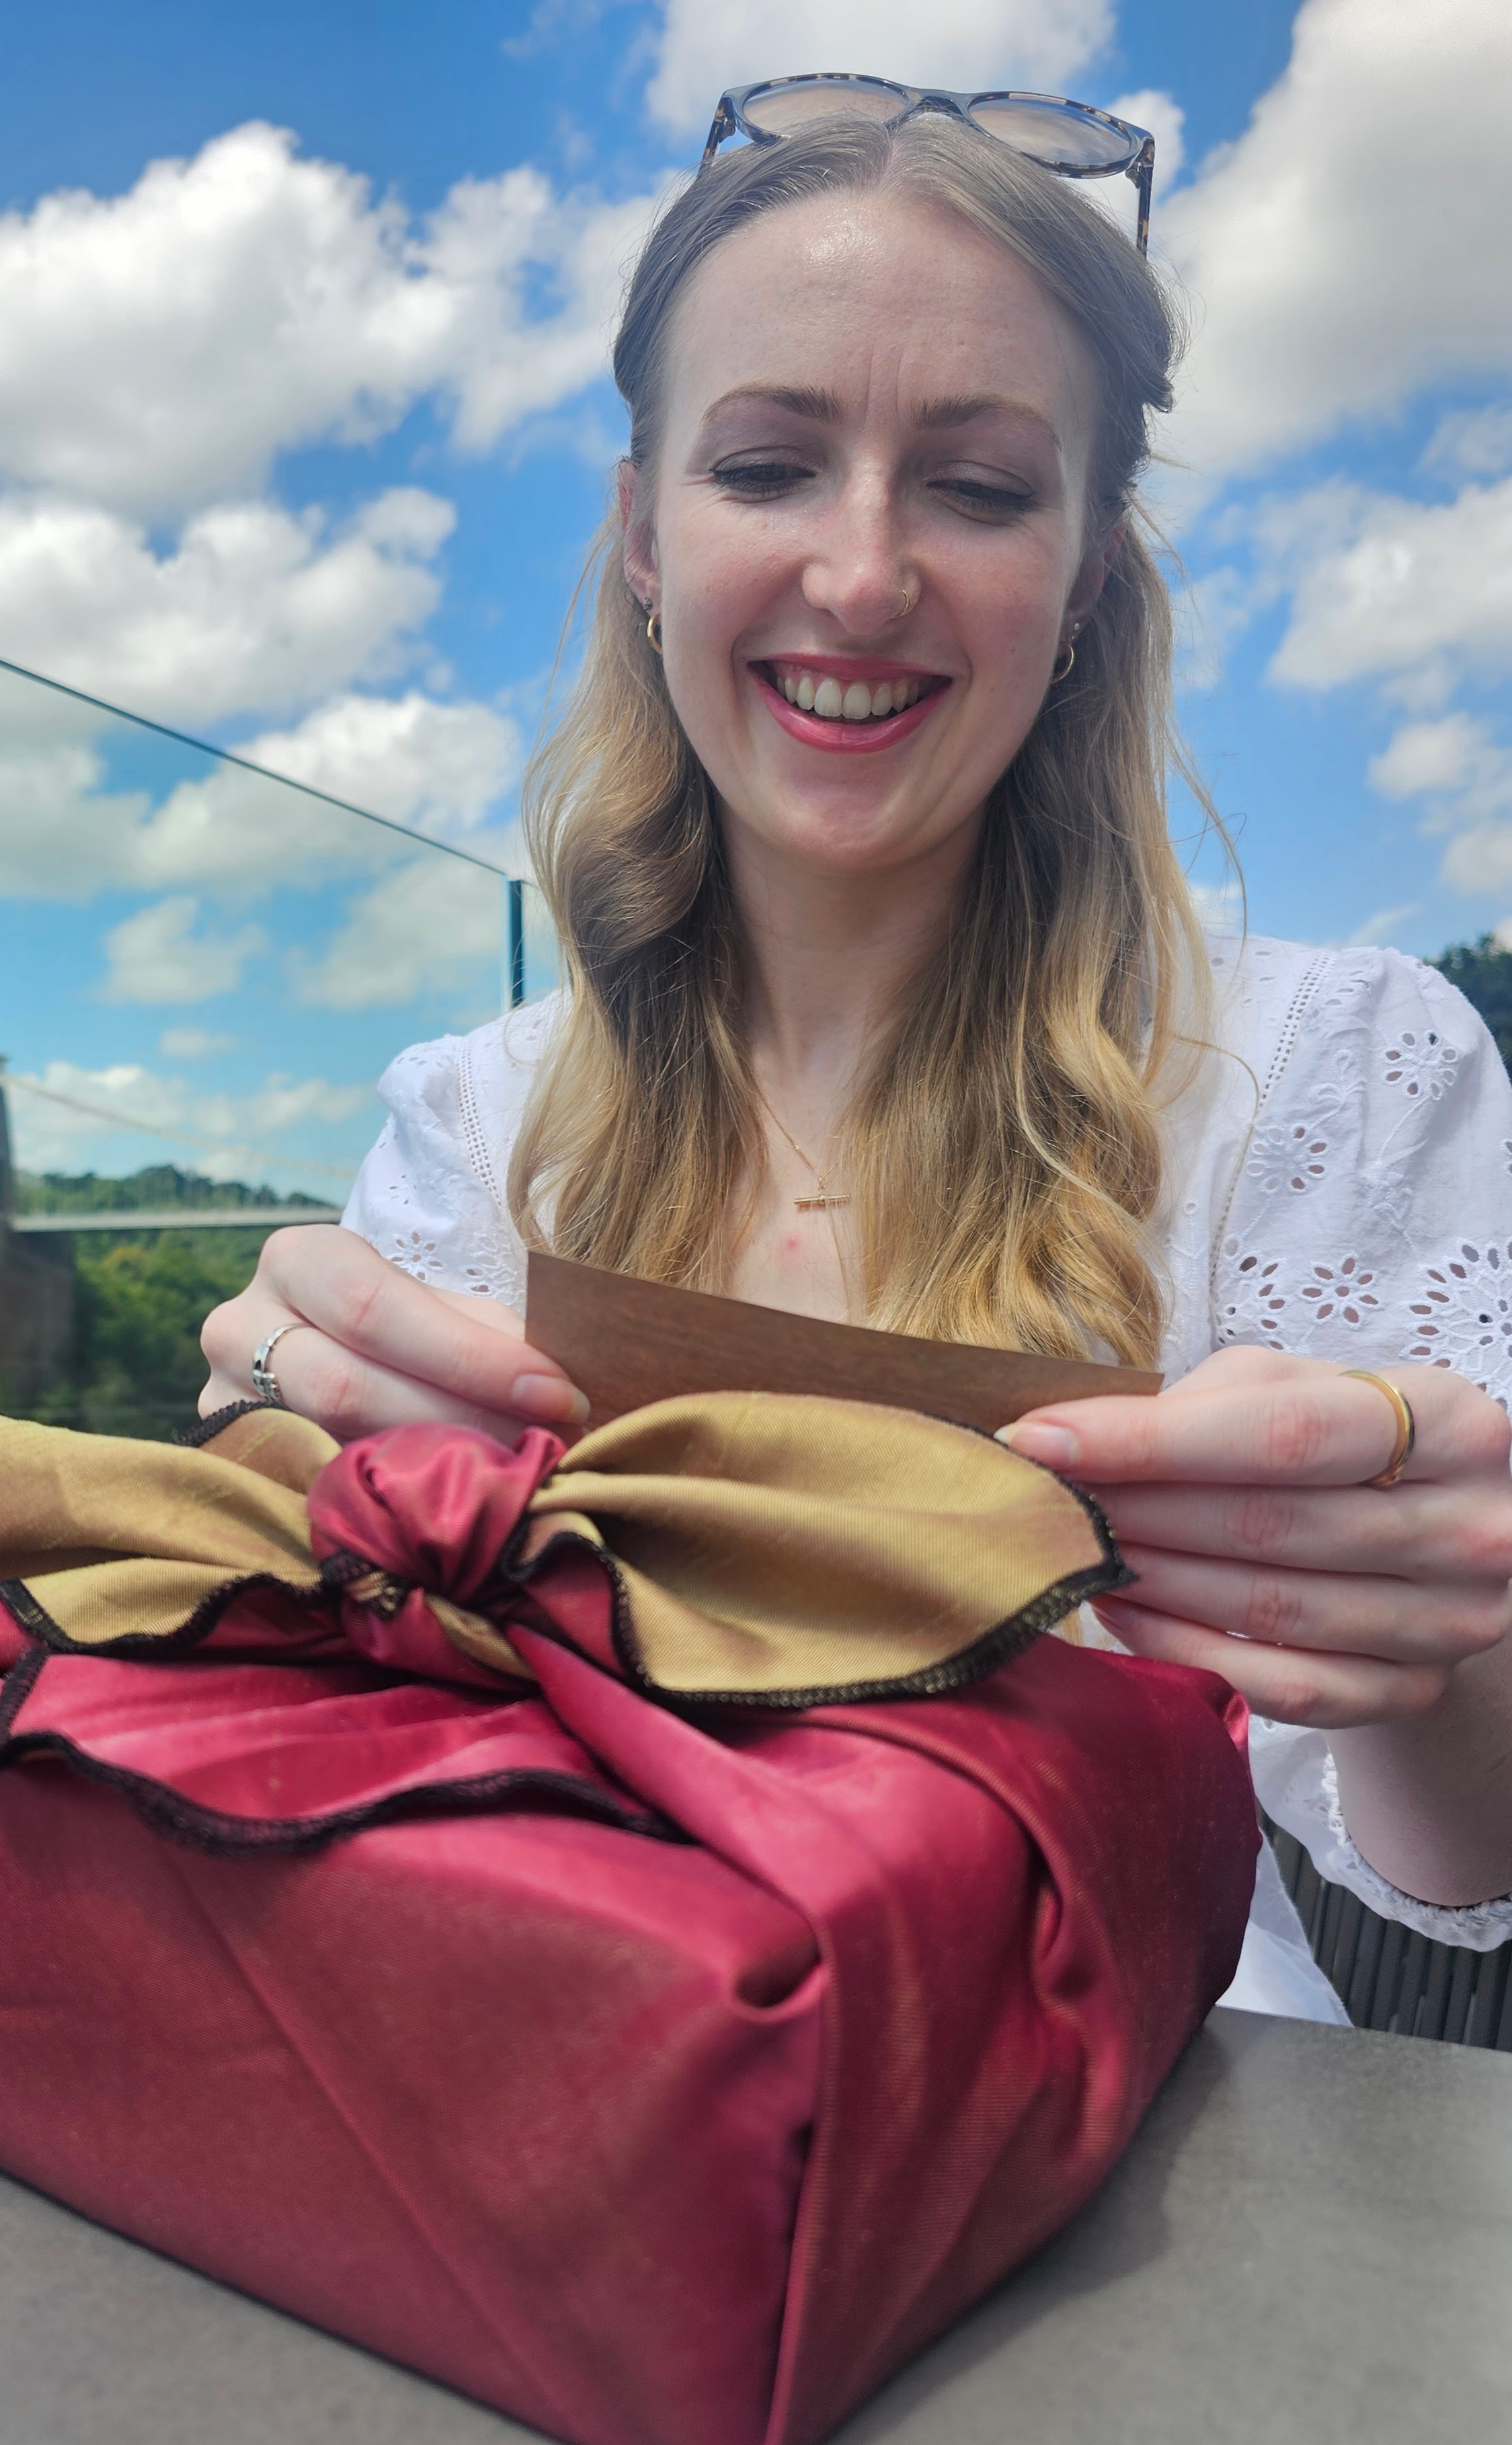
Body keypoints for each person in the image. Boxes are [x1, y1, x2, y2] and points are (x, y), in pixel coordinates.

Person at [197, 96, 1512, 2025]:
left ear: (1080, 577)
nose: (864, 570)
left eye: (977, 489)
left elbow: (1452, 1876)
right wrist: (270, 1482)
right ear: (643, 535)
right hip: (558, 2051)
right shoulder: (473, 1123)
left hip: (1136, 2142)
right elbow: (349, 1741)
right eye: (767, 464)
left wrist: (1454, 1642)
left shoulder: (1331, 1069)